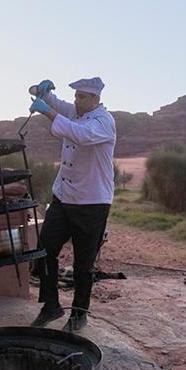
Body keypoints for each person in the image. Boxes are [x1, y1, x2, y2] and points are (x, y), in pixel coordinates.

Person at [28, 76, 116, 332]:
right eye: (76, 96)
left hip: (92, 202)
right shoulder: (74, 111)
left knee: (83, 263)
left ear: (95, 99)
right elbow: (48, 99)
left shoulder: (104, 122)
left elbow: (79, 135)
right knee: (44, 250)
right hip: (64, 196)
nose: (77, 101)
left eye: (82, 97)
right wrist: (40, 90)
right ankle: (51, 306)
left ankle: (79, 314)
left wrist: (48, 112)